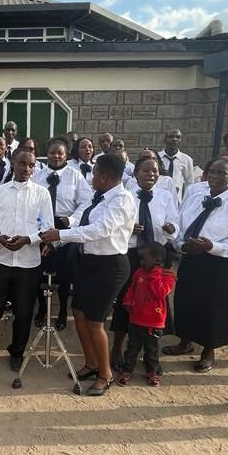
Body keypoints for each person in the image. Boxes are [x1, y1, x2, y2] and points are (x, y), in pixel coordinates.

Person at [40, 154, 136, 396]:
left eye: (94, 174)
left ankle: (105, 374)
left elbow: (100, 230)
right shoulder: (101, 198)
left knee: (95, 321)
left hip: (110, 266)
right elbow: (82, 228)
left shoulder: (122, 200)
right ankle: (91, 363)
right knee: (79, 313)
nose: (92, 178)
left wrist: (59, 235)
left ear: (104, 176)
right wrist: (56, 241)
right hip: (89, 263)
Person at [170, 156, 228, 372]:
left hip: (220, 264)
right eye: (213, 172)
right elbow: (180, 225)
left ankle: (208, 349)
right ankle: (185, 341)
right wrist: (181, 244)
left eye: (222, 173)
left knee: (215, 306)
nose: (216, 177)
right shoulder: (195, 195)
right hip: (192, 258)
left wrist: (212, 246)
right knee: (186, 300)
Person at [0, 151, 54, 371]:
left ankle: (17, 351)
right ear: (13, 164)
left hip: (29, 263)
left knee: (24, 311)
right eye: (22, 164)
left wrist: (28, 239)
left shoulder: (42, 194)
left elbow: (46, 227)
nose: (26, 169)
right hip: (2, 260)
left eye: (31, 165)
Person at [109, 156, 178, 368]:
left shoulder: (165, 196)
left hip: (157, 257)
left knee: (156, 299)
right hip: (132, 254)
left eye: (155, 171)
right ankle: (117, 348)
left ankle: (149, 351)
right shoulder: (126, 196)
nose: (151, 175)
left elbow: (175, 222)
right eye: (146, 171)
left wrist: (170, 228)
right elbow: (114, 226)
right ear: (136, 173)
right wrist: (130, 229)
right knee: (126, 300)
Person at [33, 137, 92, 330]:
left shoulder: (75, 176)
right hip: (43, 228)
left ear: (66, 154)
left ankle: (62, 313)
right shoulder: (38, 176)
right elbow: (32, 204)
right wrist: (41, 226)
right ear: (46, 154)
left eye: (60, 153)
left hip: (66, 227)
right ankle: (41, 309)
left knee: (65, 275)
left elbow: (86, 201)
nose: (56, 156)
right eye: (52, 152)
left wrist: (72, 220)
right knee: (41, 274)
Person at [118, 242, 176, 387]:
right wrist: (128, 301)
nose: (141, 262)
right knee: (132, 348)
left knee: (152, 350)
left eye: (144, 259)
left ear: (157, 260)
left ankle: (152, 372)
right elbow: (132, 288)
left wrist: (155, 273)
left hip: (154, 322)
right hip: (136, 318)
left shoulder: (167, 276)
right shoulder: (139, 272)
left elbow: (160, 292)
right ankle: (127, 370)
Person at [159, 129, 194, 202]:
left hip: (177, 200)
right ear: (165, 140)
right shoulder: (157, 157)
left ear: (181, 140)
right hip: (159, 196)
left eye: (178, 137)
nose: (174, 139)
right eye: (171, 137)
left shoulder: (186, 159)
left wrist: (187, 200)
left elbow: (189, 183)